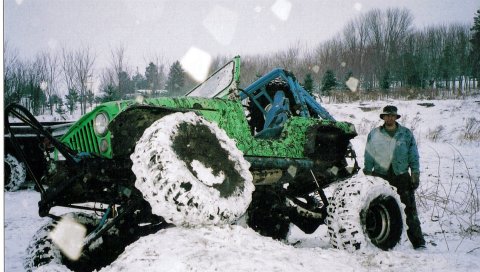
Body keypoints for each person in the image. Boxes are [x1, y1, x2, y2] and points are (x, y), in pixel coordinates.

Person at [363, 105, 426, 250]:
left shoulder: (406, 134)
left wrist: (415, 174)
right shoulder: (374, 134)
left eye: (392, 115)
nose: (390, 118)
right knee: (378, 208)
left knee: (409, 209)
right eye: (387, 115)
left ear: (396, 117)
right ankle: (380, 239)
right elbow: (369, 154)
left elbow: (413, 155)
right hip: (380, 176)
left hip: (401, 176)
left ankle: (418, 242)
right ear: (383, 117)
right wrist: (367, 172)